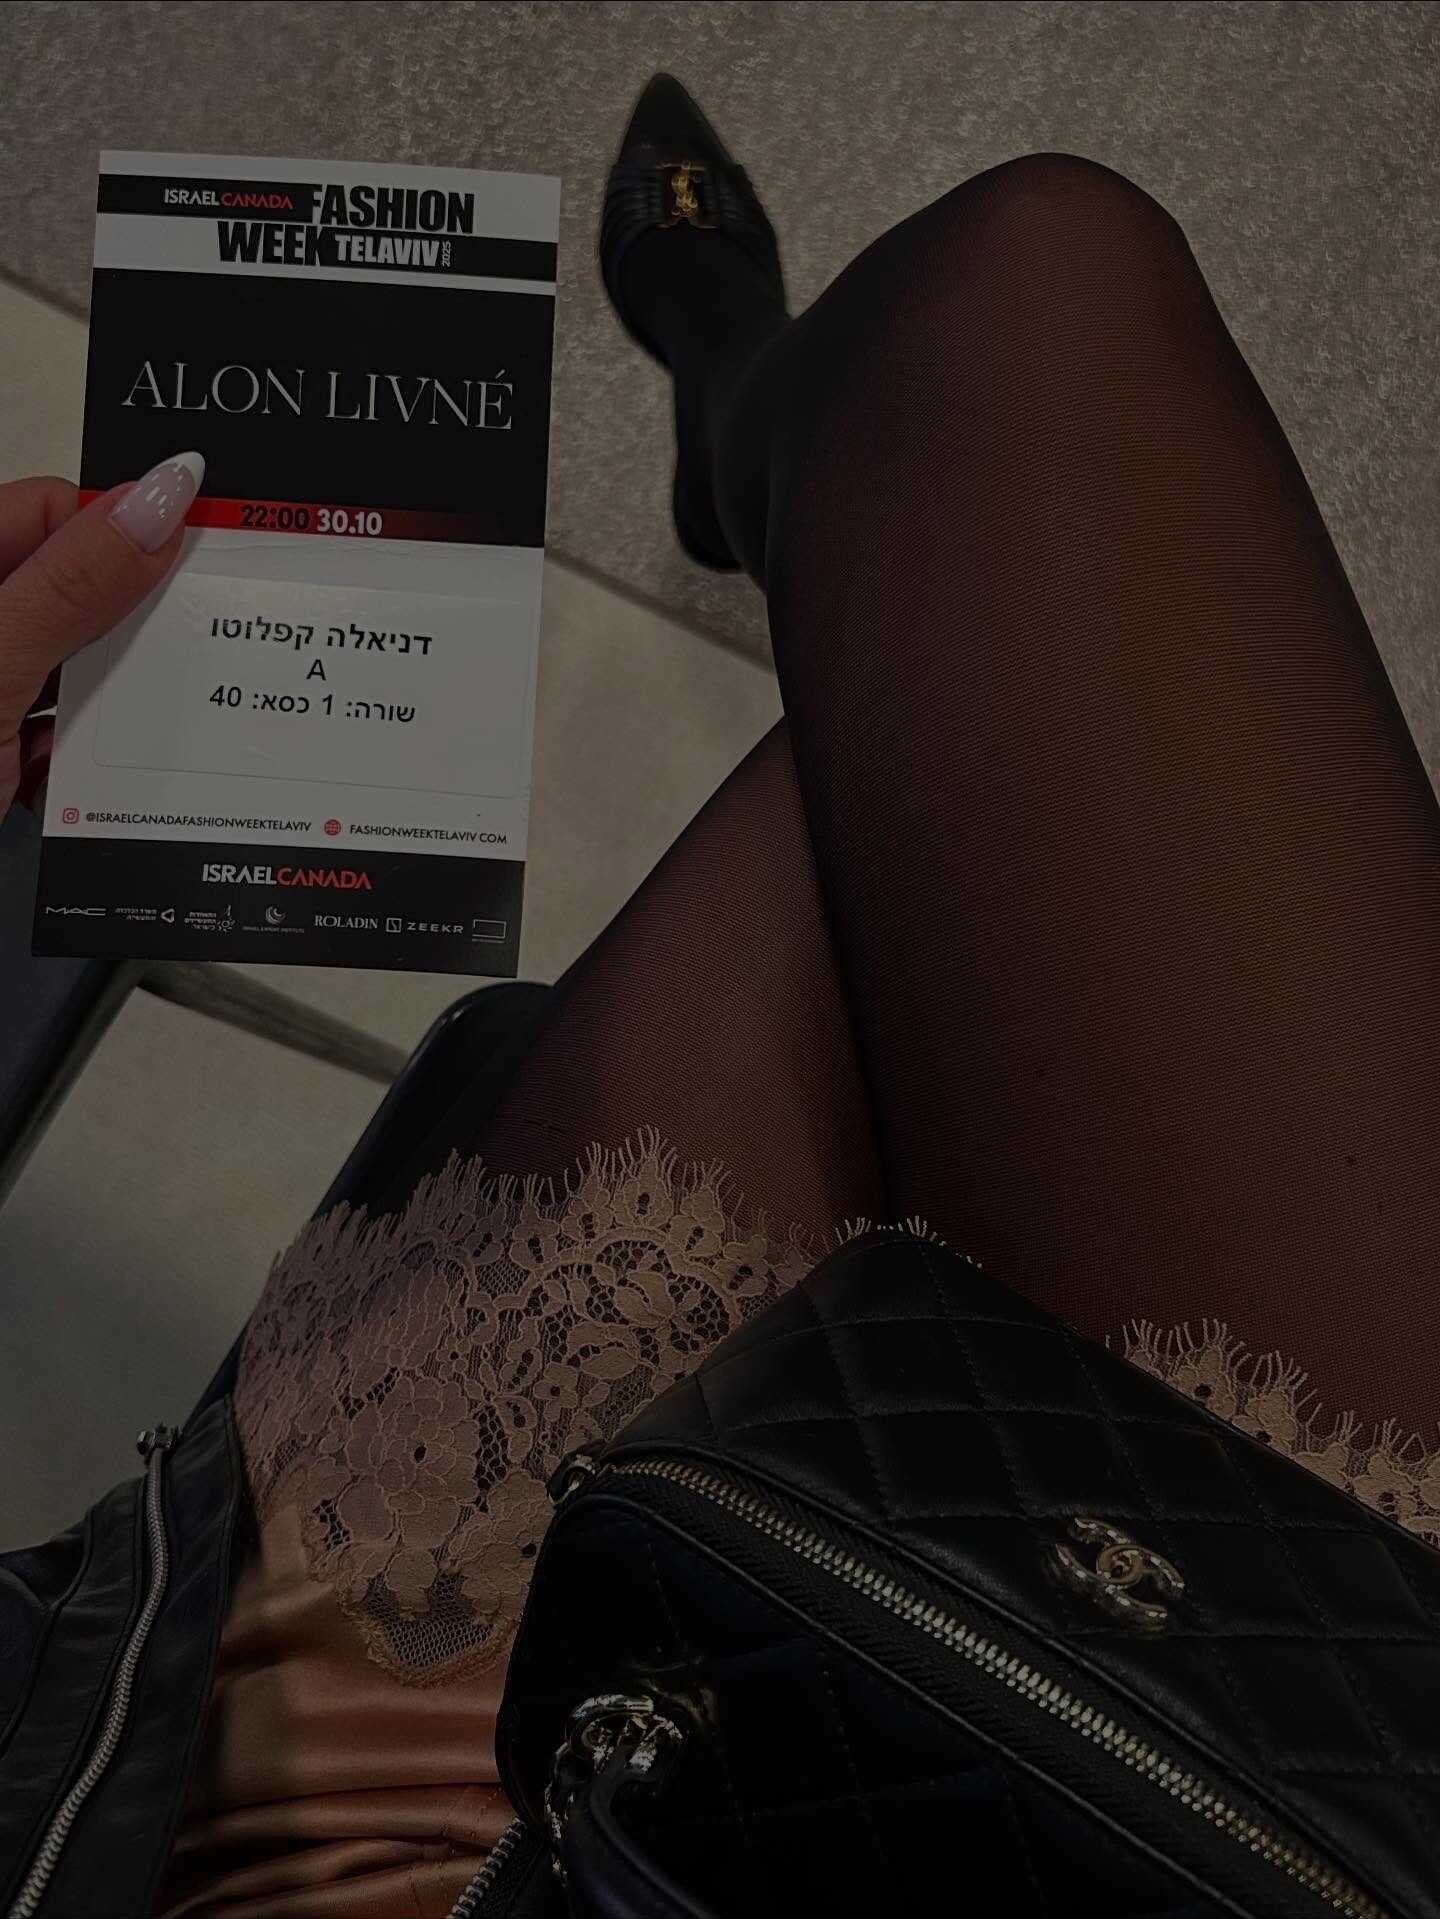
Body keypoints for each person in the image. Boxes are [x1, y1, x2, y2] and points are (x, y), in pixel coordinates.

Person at [2, 71, 1437, 1918]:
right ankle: (747, 406)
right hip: (480, 1832)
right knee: (1003, 372)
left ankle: (750, 414)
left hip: (163, 1784)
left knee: (1004, 395)